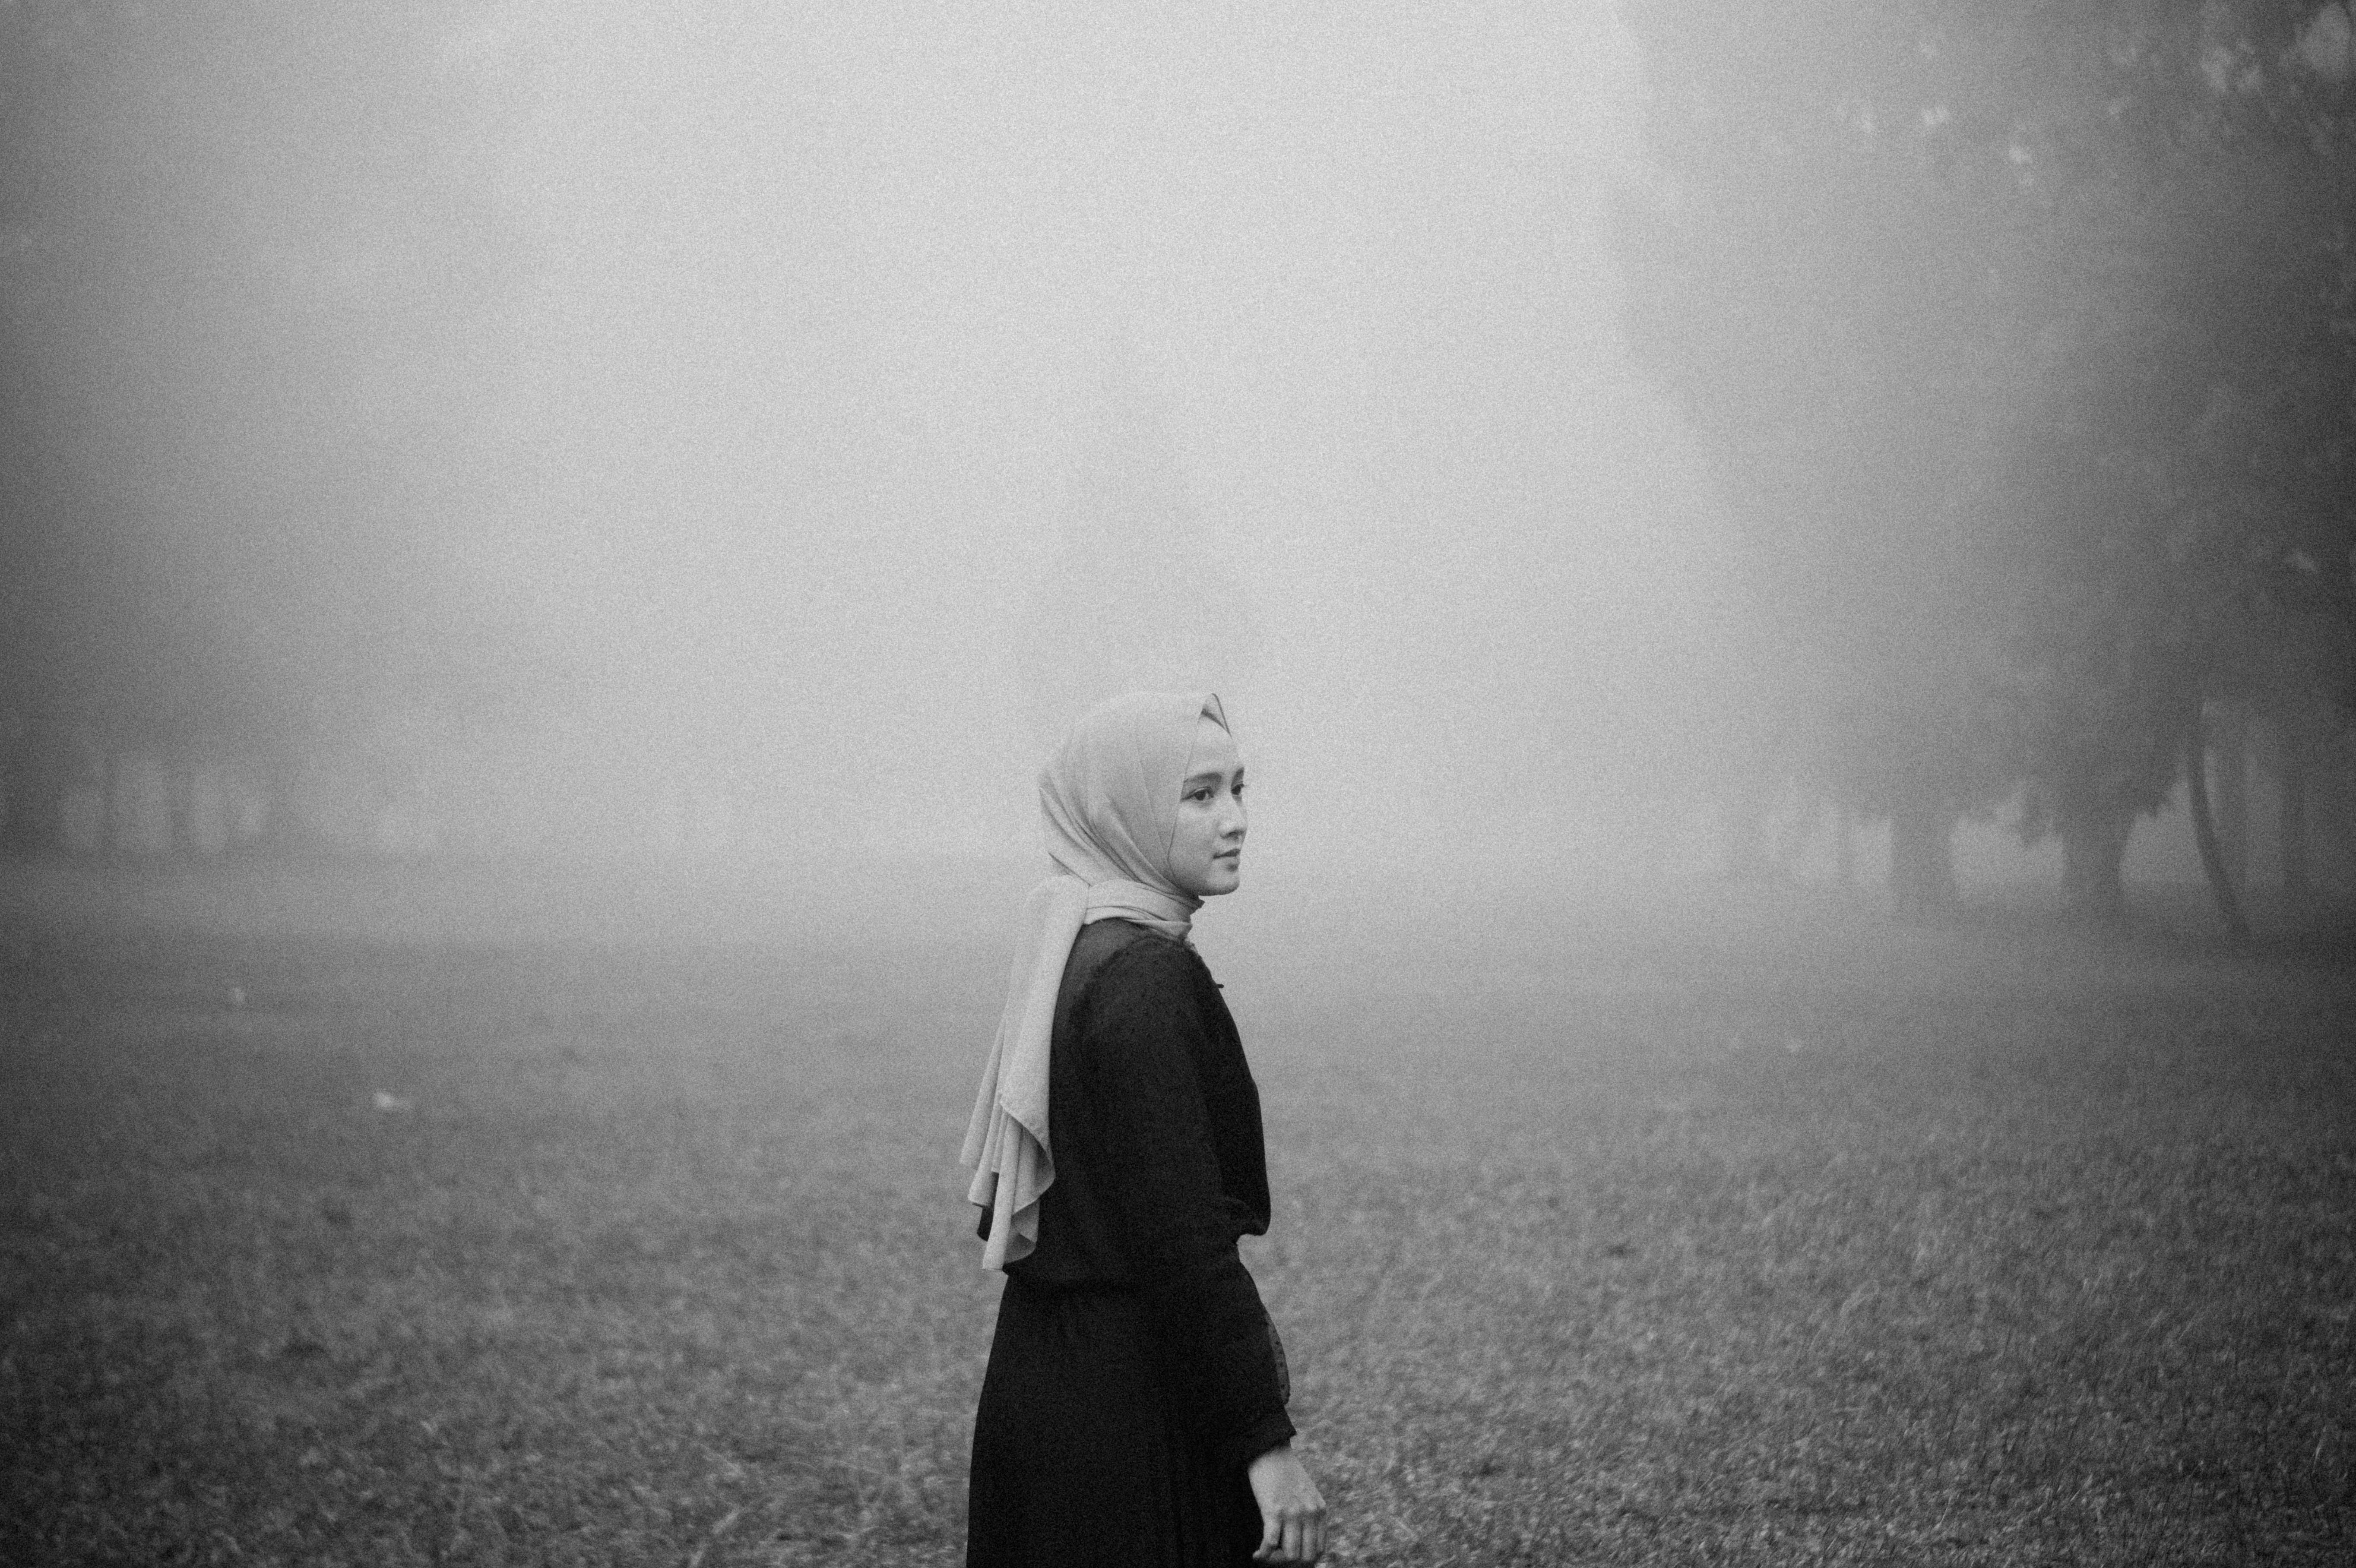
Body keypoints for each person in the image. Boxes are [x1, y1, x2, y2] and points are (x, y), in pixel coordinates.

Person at [962, 691, 1327, 1567]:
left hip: (1041, 1387)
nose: (1234, 819)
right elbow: (1185, 1244)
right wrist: (1266, 1445)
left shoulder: (1076, 951)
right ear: (1119, 811)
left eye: (1239, 788)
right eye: (1199, 795)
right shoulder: (1143, 978)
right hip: (1128, 1416)